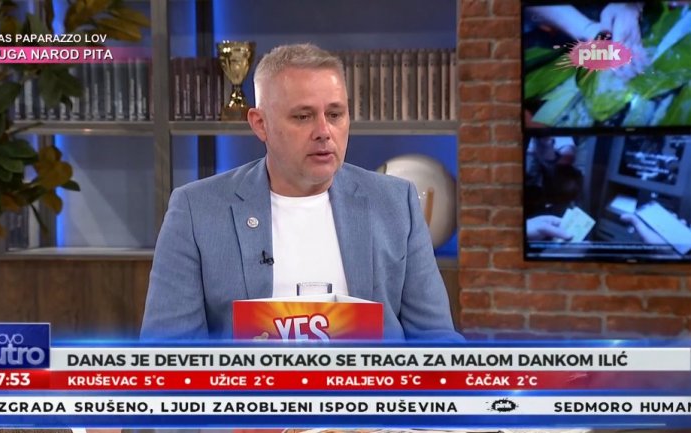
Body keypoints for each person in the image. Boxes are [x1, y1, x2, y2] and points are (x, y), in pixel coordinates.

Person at [140, 43, 460, 342]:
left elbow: (437, 343)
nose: (323, 132)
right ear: (260, 124)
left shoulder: (396, 203)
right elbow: (169, 355)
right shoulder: (196, 211)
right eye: (303, 116)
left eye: (335, 115)